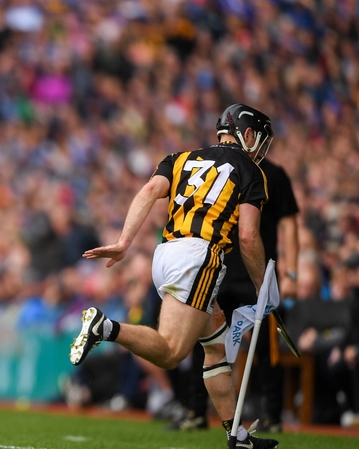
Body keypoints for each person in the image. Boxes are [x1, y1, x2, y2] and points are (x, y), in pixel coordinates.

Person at [70, 104, 279, 449]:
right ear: (248, 134)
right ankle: (105, 327)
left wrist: (124, 242)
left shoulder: (180, 157)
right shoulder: (250, 171)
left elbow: (149, 192)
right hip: (199, 259)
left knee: (215, 348)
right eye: (260, 138)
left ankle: (237, 436)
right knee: (170, 353)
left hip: (165, 254)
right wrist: (262, 287)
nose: (261, 148)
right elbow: (247, 236)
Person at [168, 155, 299, 432]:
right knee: (202, 342)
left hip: (255, 273)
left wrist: (292, 272)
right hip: (219, 269)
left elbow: (288, 223)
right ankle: (196, 411)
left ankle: (272, 417)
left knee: (265, 347)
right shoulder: (220, 168)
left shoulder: (273, 173)